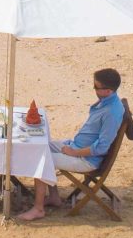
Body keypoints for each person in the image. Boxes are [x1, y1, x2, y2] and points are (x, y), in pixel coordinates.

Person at [19, 67, 125, 221]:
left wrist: (74, 152)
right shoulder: (107, 101)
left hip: (85, 159)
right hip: (75, 145)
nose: (94, 89)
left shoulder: (111, 113)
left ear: (108, 91)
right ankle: (54, 197)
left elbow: (101, 147)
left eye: (96, 87)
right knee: (41, 146)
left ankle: (38, 209)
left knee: (41, 161)